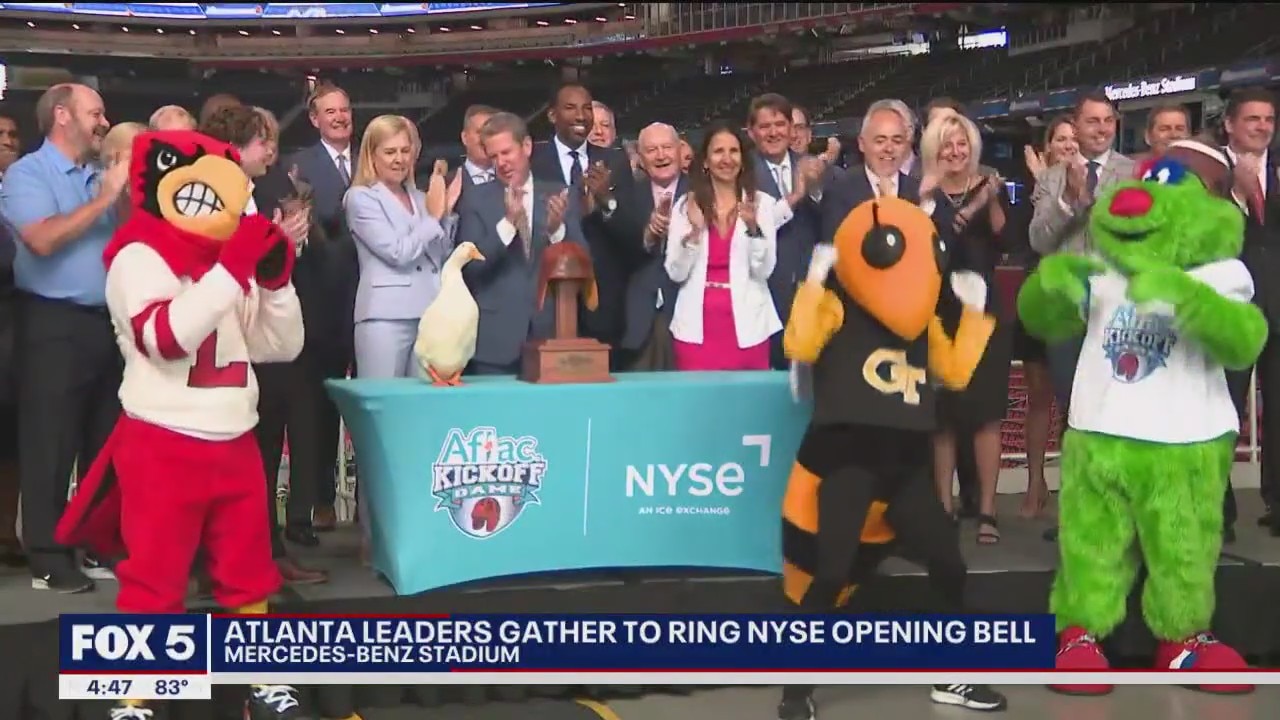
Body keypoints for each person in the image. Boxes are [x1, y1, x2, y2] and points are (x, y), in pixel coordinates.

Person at [780, 197, 1007, 720]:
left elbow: (954, 373)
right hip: (849, 458)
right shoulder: (840, 304)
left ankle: (952, 675)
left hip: (905, 465)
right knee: (830, 573)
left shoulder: (922, 321)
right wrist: (813, 283)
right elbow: (801, 345)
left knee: (949, 563)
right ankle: (794, 688)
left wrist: (974, 314)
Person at [0, 83, 127, 592]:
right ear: (62, 115)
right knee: (50, 442)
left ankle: (96, 542)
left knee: (104, 441)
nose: (104, 122)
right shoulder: (28, 174)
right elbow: (42, 238)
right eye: (95, 112)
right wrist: (106, 199)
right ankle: (48, 557)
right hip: (53, 323)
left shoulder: (101, 174)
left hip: (107, 323)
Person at [921, 112, 1017, 544]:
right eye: (947, 144)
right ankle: (942, 507)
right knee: (942, 419)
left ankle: (987, 511)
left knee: (986, 417)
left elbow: (1007, 241)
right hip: (938, 314)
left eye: (962, 144)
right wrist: (925, 197)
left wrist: (991, 200)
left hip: (984, 314)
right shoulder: (924, 191)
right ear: (934, 149)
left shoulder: (990, 186)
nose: (956, 152)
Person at [458, 112, 589, 374]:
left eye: (507, 152)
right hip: (495, 342)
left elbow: (584, 263)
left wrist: (557, 231)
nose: (501, 163)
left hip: (550, 336)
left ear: (526, 146)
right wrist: (508, 224)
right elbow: (469, 269)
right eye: (494, 157)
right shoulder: (476, 199)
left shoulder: (560, 194)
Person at [286, 81, 359, 535]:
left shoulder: (373, 157)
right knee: (319, 408)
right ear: (314, 119)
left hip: (368, 299)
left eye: (344, 109)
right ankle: (321, 500)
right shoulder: (300, 166)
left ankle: (370, 503)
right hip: (321, 304)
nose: (339, 117)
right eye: (330, 111)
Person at [665, 122, 781, 371]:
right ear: (705, 161)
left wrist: (753, 229)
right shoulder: (686, 206)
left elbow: (764, 271)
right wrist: (695, 232)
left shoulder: (762, 204)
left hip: (749, 329)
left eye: (734, 151)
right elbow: (676, 273)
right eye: (718, 151)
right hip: (696, 331)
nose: (727, 159)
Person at [345, 115, 453, 379]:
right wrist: (433, 218)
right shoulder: (360, 198)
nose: (399, 159)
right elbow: (397, 252)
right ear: (372, 155)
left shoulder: (422, 198)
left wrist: (446, 214)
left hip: (429, 313)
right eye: (390, 152)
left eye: (405, 151)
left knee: (421, 399)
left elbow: (440, 256)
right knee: (382, 398)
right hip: (385, 317)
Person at [1016, 115, 1078, 519]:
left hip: (1077, 302)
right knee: (1039, 397)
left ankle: (1074, 489)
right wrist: (1043, 183)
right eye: (1062, 139)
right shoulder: (1038, 188)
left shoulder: (1094, 183)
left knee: (1076, 401)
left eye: (1074, 139)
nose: (1069, 145)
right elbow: (1036, 238)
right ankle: (1035, 481)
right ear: (1048, 146)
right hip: (1039, 294)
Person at [622, 122, 686, 370]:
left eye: (667, 147)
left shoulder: (703, 191)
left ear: (680, 150)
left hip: (689, 316)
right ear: (640, 157)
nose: (661, 156)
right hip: (639, 323)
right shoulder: (625, 196)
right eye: (651, 150)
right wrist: (648, 236)